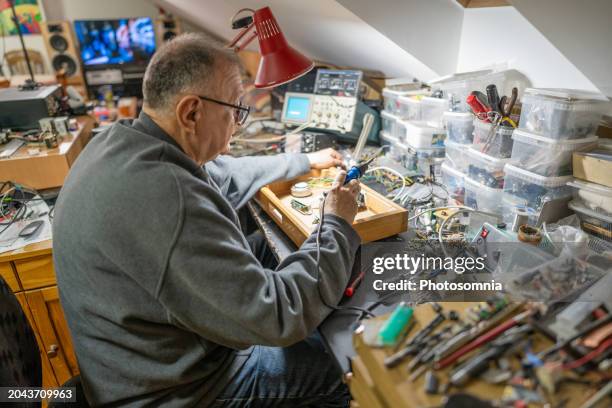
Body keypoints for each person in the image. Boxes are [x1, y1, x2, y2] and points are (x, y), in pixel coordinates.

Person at [53, 33, 362, 407]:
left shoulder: (121, 144)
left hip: (134, 365)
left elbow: (221, 174)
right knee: (345, 364)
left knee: (263, 247)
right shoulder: (166, 196)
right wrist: (335, 226)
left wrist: (303, 163)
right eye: (234, 110)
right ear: (192, 112)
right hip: (178, 393)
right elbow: (279, 316)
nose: (237, 123)